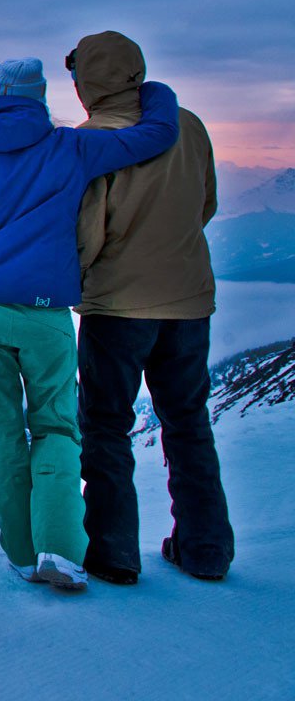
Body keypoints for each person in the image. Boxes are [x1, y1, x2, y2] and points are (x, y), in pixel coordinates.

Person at [0, 56, 180, 591]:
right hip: (44, 315)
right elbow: (154, 136)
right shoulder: (71, 148)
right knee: (56, 427)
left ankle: (20, 553)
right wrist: (151, 88)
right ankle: (62, 552)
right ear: (39, 97)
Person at [71, 31, 234, 585]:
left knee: (106, 425)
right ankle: (206, 548)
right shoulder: (188, 126)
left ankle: (114, 552)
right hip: (189, 300)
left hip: (118, 306)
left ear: (88, 80)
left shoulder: (94, 139)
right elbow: (206, 203)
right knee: (188, 422)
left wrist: (82, 276)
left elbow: (87, 234)